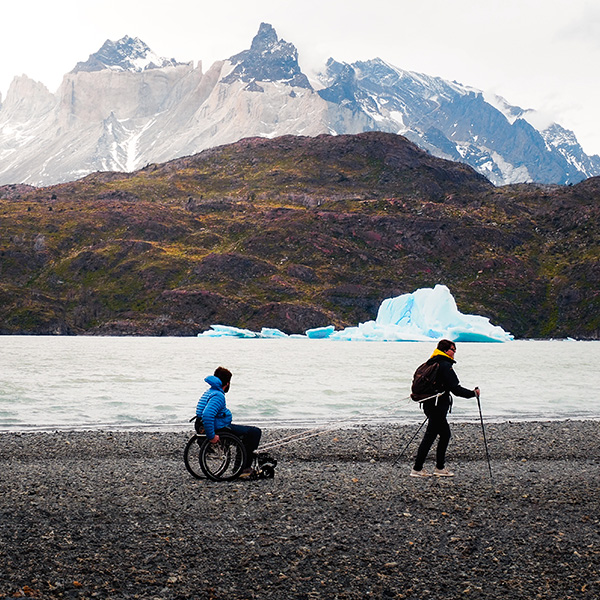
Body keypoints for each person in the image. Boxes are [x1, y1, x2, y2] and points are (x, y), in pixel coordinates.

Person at [411, 339, 480, 478]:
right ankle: (418, 469)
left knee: (444, 434)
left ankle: (439, 467)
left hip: (429, 404)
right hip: (437, 406)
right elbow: (455, 389)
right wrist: (473, 394)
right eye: (452, 350)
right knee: (430, 436)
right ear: (445, 350)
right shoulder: (444, 365)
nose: (454, 353)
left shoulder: (431, 362)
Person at [196, 366, 262, 477]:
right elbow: (207, 415)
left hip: (205, 424)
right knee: (254, 432)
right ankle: (243, 468)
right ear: (227, 384)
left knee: (246, 433)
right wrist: (212, 436)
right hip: (218, 428)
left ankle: (240, 466)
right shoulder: (218, 396)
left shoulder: (210, 392)